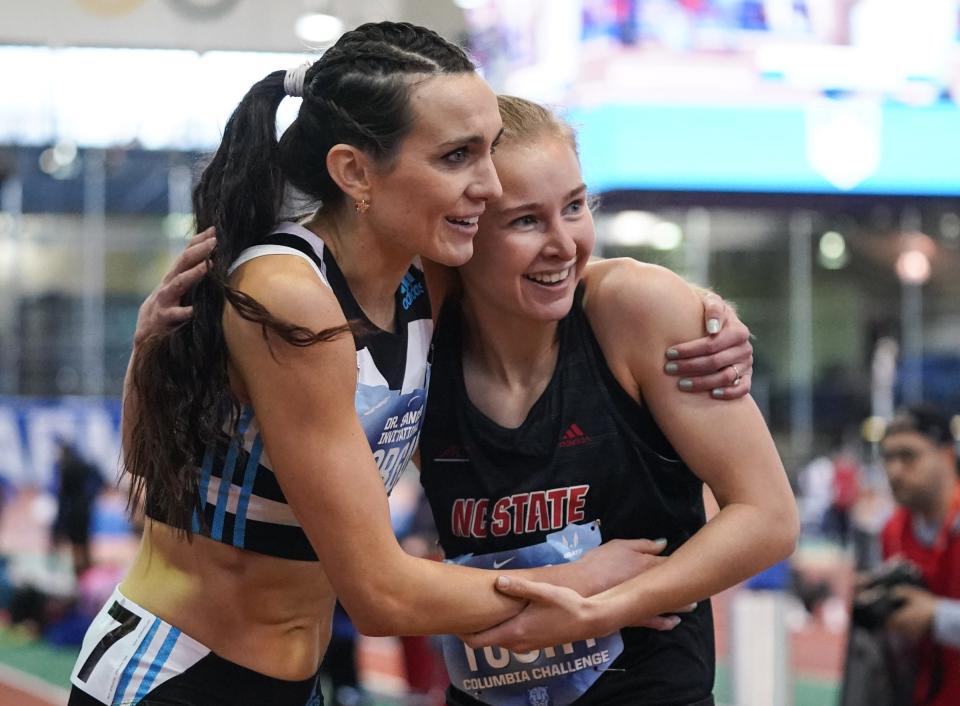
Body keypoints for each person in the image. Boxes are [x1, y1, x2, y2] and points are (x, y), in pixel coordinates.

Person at [68, 22, 753, 706]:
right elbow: (380, 593)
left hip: (292, 682)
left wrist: (698, 311)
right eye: (458, 156)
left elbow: (554, 268)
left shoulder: (418, 279)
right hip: (178, 674)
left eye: (488, 151)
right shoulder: (289, 296)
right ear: (355, 172)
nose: (487, 184)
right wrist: (584, 582)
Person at [417, 96, 798, 705]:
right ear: (463, 231)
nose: (564, 244)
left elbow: (770, 518)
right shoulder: (416, 340)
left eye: (574, 207)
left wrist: (601, 610)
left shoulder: (637, 311)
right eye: (525, 221)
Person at [872, 404, 960, 706]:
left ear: (947, 456)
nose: (894, 470)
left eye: (908, 456)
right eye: (888, 457)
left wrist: (936, 617)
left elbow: (930, 616)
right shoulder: (892, 530)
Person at [51, 440, 104, 578]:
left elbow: (62, 496)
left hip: (71, 510)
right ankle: (87, 572)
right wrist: (91, 496)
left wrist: (57, 527)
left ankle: (80, 575)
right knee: (84, 542)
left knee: (76, 545)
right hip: (84, 507)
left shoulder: (64, 467)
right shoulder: (83, 463)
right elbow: (100, 480)